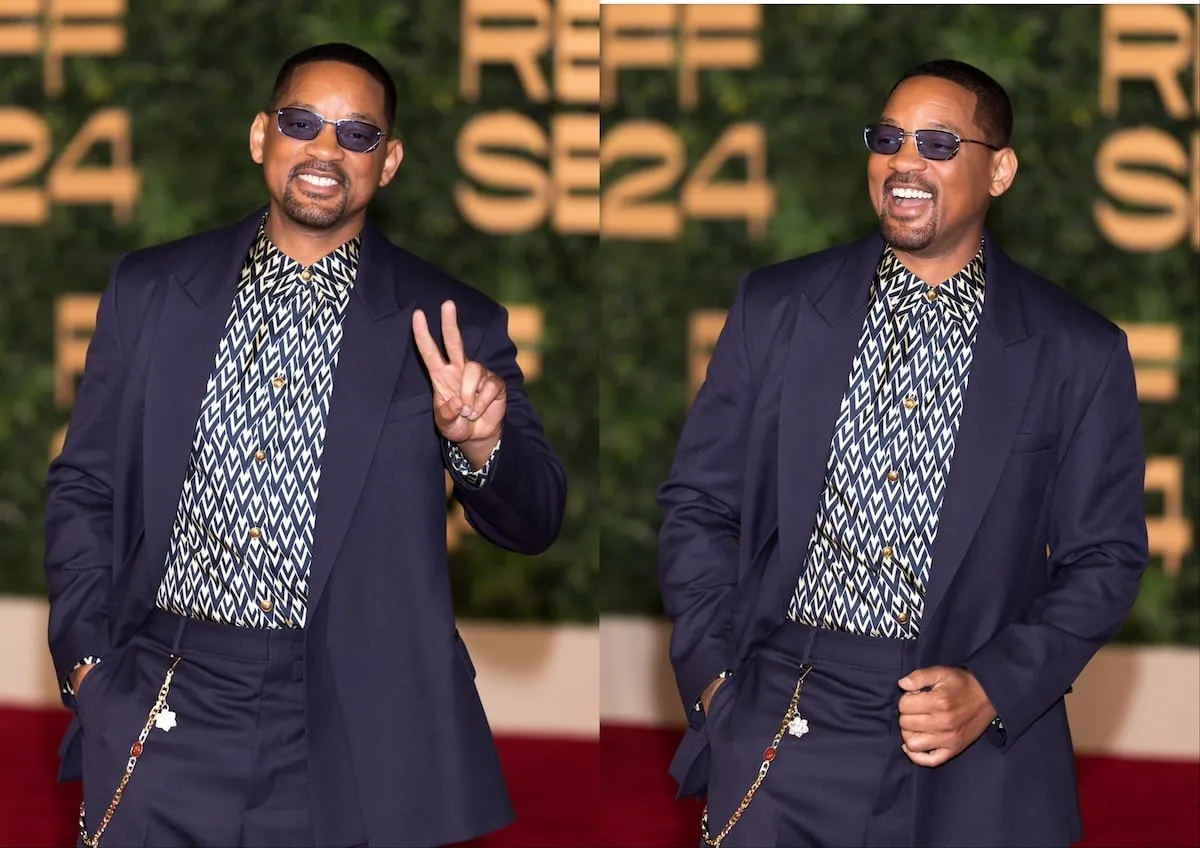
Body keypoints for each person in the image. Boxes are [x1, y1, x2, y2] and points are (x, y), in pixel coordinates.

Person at [44, 42, 566, 848]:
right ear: (262, 136)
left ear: (387, 163)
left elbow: (534, 520)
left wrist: (483, 442)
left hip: (354, 714)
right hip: (165, 686)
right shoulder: (152, 290)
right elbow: (85, 486)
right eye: (303, 123)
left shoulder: (451, 320)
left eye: (358, 135)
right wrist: (89, 667)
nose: (327, 150)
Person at [657, 59, 1148, 848]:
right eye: (888, 138)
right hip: (786, 712)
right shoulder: (778, 307)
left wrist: (993, 688)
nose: (904, 161)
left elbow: (1106, 559)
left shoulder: (1076, 351)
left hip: (970, 739)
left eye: (939, 142)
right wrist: (720, 684)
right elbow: (698, 507)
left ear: (1001, 170)